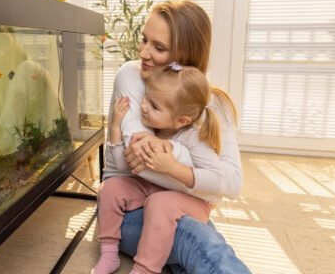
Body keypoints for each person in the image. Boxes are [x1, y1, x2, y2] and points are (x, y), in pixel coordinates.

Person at [101, 0, 251, 274]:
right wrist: (201, 177)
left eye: (158, 47)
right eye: (144, 40)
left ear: (186, 57)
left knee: (202, 248)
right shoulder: (132, 77)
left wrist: (173, 162)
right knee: (198, 241)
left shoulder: (213, 103)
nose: (144, 53)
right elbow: (140, 159)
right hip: (127, 208)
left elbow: (231, 183)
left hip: (175, 204)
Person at [94, 64, 234, 274]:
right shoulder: (152, 128)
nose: (143, 106)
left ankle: (144, 269)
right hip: (154, 190)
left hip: (195, 203)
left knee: (160, 203)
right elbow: (124, 166)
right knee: (110, 188)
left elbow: (216, 180)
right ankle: (108, 253)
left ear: (182, 120)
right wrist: (115, 129)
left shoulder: (195, 136)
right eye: (146, 98)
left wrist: (171, 167)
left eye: (154, 106)